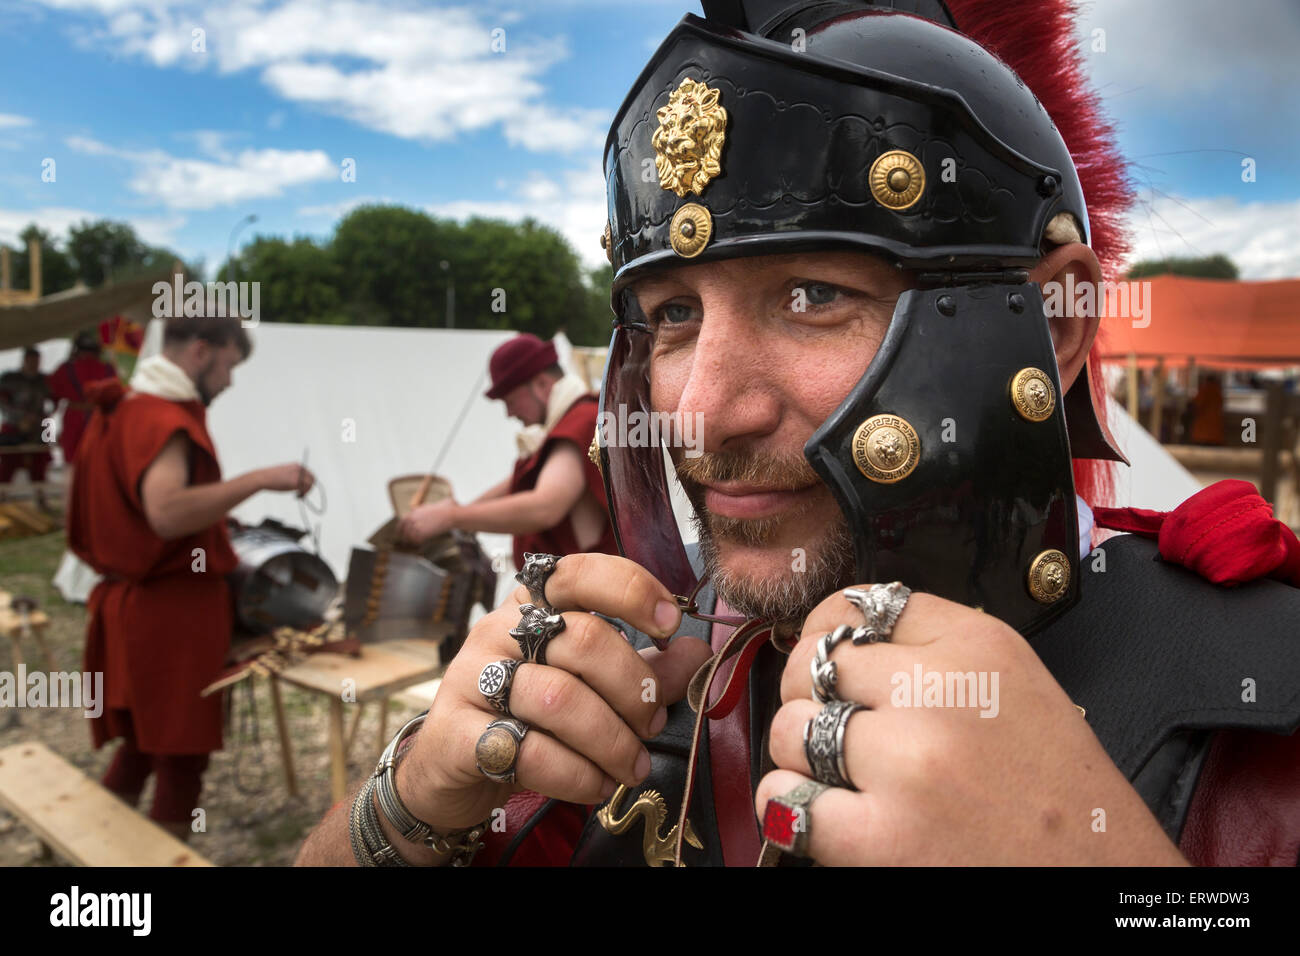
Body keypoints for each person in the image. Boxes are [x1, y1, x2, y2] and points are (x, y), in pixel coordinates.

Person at [298, 0, 1300, 868]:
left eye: (812, 293)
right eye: (675, 314)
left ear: (1059, 326)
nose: (695, 410)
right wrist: (409, 800)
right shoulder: (655, 676)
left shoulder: (1259, 698)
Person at [67, 316, 316, 840]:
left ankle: (94, 849)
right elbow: (167, 513)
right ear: (202, 351)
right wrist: (260, 480)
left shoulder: (125, 408)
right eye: (229, 366)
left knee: (141, 746)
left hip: (136, 606)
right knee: (181, 759)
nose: (229, 381)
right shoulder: (161, 416)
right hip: (170, 616)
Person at [398, 333, 617, 567]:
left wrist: (452, 517)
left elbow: (546, 506)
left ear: (541, 384)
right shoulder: (565, 426)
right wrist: (456, 512)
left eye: (511, 401)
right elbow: (518, 481)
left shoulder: (581, 421)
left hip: (589, 595)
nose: (509, 414)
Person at [47, 328, 118, 467]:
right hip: (99, 416)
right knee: (99, 461)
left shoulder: (65, 369)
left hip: (74, 416)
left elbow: (53, 394)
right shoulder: (108, 368)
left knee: (73, 462)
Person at [0, 347, 52, 508]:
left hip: (41, 428)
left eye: (37, 361)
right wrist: (21, 418)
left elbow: (55, 402)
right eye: (31, 360)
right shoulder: (10, 378)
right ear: (24, 360)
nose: (34, 364)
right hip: (14, 428)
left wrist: (46, 420)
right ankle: (1, 499)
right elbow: (3, 403)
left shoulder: (45, 380)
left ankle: (41, 500)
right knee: (7, 464)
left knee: (40, 465)